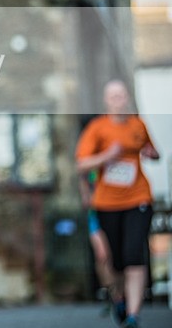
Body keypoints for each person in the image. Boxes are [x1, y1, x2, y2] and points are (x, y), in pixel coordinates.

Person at [76, 80, 160, 328]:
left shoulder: (138, 125)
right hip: (106, 203)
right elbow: (81, 165)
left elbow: (152, 149)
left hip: (138, 198)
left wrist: (152, 154)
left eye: (121, 95)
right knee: (111, 259)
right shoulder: (97, 128)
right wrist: (107, 156)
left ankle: (133, 314)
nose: (118, 100)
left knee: (135, 253)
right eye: (112, 96)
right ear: (106, 100)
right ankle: (118, 296)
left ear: (127, 98)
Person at [77, 167, 116, 316]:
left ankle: (119, 292)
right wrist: (86, 195)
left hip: (115, 212)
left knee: (116, 255)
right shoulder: (91, 164)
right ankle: (108, 293)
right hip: (96, 215)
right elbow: (82, 179)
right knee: (102, 255)